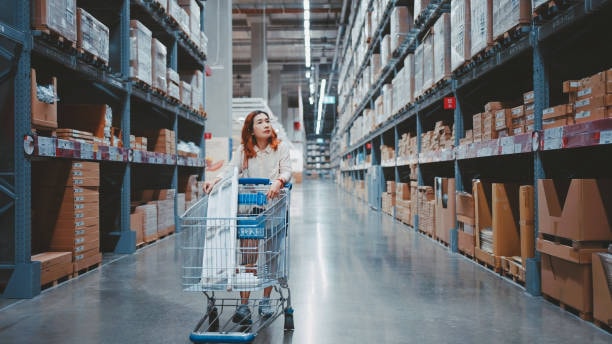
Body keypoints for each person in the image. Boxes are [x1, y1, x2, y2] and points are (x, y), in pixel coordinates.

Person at [203, 110, 291, 323]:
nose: (266, 125)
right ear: (251, 130)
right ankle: (244, 306)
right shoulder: (244, 150)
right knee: (249, 257)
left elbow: (287, 171)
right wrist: (215, 180)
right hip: (251, 210)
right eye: (260, 122)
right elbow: (231, 169)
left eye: (267, 121)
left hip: (274, 208)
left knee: (271, 256)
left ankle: (266, 301)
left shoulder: (280, 148)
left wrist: (279, 181)